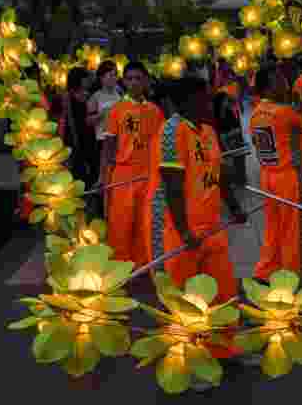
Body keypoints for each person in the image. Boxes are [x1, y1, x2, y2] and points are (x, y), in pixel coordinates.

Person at [143, 77, 247, 310]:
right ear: (187, 101)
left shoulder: (208, 130)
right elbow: (173, 186)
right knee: (184, 301)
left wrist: (234, 207)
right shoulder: (171, 132)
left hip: (209, 224)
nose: (210, 103)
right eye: (205, 98)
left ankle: (222, 345)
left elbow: (218, 173)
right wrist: (184, 231)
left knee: (224, 294)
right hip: (176, 228)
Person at [249, 66, 302, 280]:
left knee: (273, 228)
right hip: (289, 178)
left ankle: (267, 271)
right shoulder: (286, 113)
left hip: (267, 176)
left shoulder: (256, 112)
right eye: (280, 79)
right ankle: (293, 275)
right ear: (269, 86)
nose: (285, 83)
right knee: (295, 230)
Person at [102, 62, 164, 267]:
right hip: (123, 174)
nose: (134, 83)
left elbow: (162, 146)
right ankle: (120, 266)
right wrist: (104, 177)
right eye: (129, 79)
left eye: (138, 78)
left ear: (146, 81)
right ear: (124, 82)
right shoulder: (116, 110)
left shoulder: (155, 111)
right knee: (121, 222)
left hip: (149, 174)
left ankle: (142, 264)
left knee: (145, 220)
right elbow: (109, 147)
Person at [87, 60, 123, 138]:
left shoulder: (120, 95)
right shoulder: (95, 97)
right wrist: (101, 114)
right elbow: (88, 121)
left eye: (115, 75)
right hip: (102, 140)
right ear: (101, 77)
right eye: (110, 75)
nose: (114, 78)